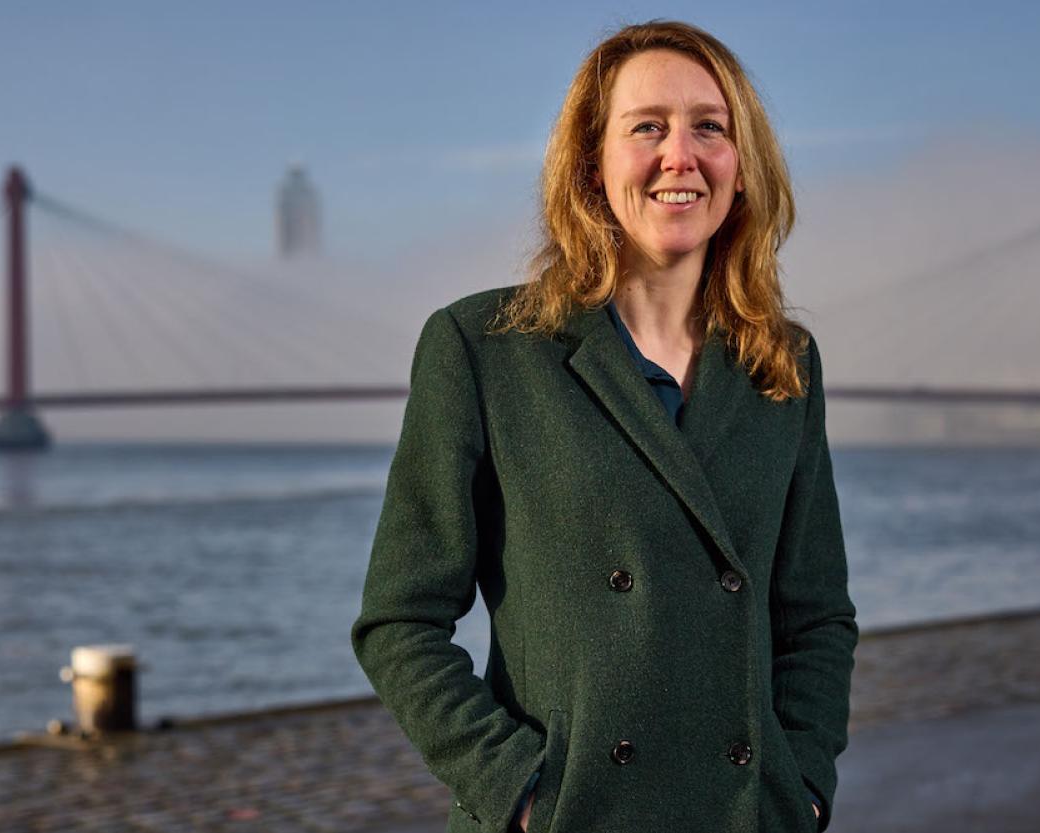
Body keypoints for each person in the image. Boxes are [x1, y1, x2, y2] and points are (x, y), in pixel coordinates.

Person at [351, 19, 856, 833]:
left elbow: (817, 615)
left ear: (742, 166)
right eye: (647, 127)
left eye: (711, 128)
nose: (679, 156)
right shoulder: (484, 349)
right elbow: (399, 619)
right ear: (593, 163)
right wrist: (518, 789)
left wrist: (801, 785)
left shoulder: (784, 362)